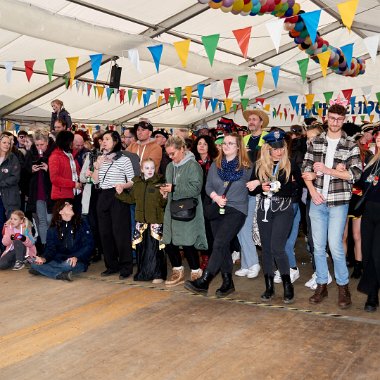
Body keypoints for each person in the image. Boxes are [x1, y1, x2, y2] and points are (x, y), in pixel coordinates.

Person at [302, 98, 362, 309]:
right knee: (317, 246)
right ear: (327, 118)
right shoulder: (315, 142)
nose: (335, 122)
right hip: (317, 201)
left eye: (339, 119)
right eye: (332, 118)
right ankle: (321, 283)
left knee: (335, 246)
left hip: (338, 203)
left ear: (344, 120)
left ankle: (343, 286)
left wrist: (331, 171)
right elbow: (305, 171)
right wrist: (312, 193)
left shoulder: (351, 145)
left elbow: (355, 175)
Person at [184, 134, 251, 297]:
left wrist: (257, 183)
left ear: (238, 147)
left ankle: (205, 281)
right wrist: (215, 197)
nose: (226, 146)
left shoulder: (246, 167)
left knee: (219, 243)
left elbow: (250, 186)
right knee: (223, 246)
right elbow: (208, 186)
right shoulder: (216, 164)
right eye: (224, 143)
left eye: (230, 143)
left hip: (236, 209)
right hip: (216, 208)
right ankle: (228, 283)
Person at [249, 130, 303, 303]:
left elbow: (296, 188)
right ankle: (269, 286)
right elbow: (251, 188)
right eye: (275, 148)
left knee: (277, 247)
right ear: (268, 148)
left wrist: (268, 185)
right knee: (266, 248)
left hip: (284, 209)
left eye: (281, 147)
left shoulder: (290, 164)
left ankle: (288, 284)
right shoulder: (259, 165)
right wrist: (259, 187)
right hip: (264, 210)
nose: (279, 151)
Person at [160, 136, 206, 287]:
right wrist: (165, 192)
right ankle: (177, 270)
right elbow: (169, 185)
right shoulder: (169, 167)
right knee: (169, 240)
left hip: (188, 209)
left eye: (173, 153)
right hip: (171, 208)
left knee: (188, 241)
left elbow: (196, 189)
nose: (171, 157)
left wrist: (174, 188)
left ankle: (196, 271)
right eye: (168, 154)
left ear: (182, 149)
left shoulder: (193, 166)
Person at [91, 131, 135, 280]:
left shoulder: (124, 159)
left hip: (117, 195)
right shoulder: (100, 158)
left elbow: (132, 181)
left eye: (107, 139)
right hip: (103, 196)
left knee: (120, 233)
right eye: (103, 139)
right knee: (105, 233)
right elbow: (95, 182)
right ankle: (111, 265)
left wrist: (123, 185)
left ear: (115, 141)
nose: (104, 142)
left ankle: (126, 266)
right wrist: (97, 167)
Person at [117, 158, 167, 283]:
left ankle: (157, 274)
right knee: (142, 249)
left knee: (155, 249)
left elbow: (163, 204)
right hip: (140, 222)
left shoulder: (160, 182)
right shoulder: (137, 183)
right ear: (141, 169)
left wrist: (165, 197)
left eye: (152, 168)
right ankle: (143, 273)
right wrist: (120, 193)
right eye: (147, 168)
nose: (150, 170)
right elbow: (131, 199)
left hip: (155, 221)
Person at [234, 108, 269, 279]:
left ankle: (253, 262)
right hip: (243, 187)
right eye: (250, 119)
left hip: (259, 190)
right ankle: (248, 263)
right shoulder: (244, 139)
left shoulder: (267, 139)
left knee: (248, 227)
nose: (251, 122)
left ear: (261, 122)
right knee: (240, 227)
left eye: (255, 119)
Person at [29, 200, 93, 281]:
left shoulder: (81, 223)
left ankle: (44, 270)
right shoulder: (53, 229)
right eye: (67, 205)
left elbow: (89, 245)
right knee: (34, 263)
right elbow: (50, 249)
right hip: (58, 260)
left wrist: (76, 257)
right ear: (60, 211)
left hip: (77, 262)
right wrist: (43, 259)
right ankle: (59, 274)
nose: (71, 206)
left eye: (70, 204)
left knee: (67, 265)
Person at [358, 126, 380, 311]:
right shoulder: (372, 160)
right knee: (367, 253)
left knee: (377, 254)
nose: (379, 139)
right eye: (378, 137)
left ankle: (373, 294)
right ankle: (372, 293)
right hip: (368, 212)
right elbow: (361, 184)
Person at [191, 135, 219, 270]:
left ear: (209, 146)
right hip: (195, 199)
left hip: (211, 199)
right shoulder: (192, 162)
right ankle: (204, 256)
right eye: (199, 143)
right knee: (199, 229)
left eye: (205, 144)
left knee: (210, 229)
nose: (201, 146)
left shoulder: (215, 162)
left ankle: (212, 256)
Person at [25, 130, 56, 252]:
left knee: (50, 219)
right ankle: (44, 246)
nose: (39, 147)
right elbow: (24, 172)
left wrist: (48, 169)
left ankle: (51, 244)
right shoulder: (31, 153)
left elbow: (57, 175)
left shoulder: (53, 153)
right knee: (42, 220)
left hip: (50, 193)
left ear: (47, 142)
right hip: (37, 193)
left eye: (41, 144)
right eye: (37, 145)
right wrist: (31, 169)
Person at [49, 131, 82, 212]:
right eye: (72, 140)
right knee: (64, 222)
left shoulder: (71, 155)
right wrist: (73, 184)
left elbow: (76, 172)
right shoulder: (55, 157)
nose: (73, 142)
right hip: (62, 196)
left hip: (75, 194)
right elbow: (54, 179)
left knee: (75, 221)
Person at [0, 133, 21, 234]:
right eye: (4, 142)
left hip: (10, 197)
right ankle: (2, 247)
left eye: (8, 143)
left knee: (12, 225)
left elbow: (15, 177)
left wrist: (1, 183)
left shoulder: (13, 158)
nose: (6, 145)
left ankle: (12, 248)